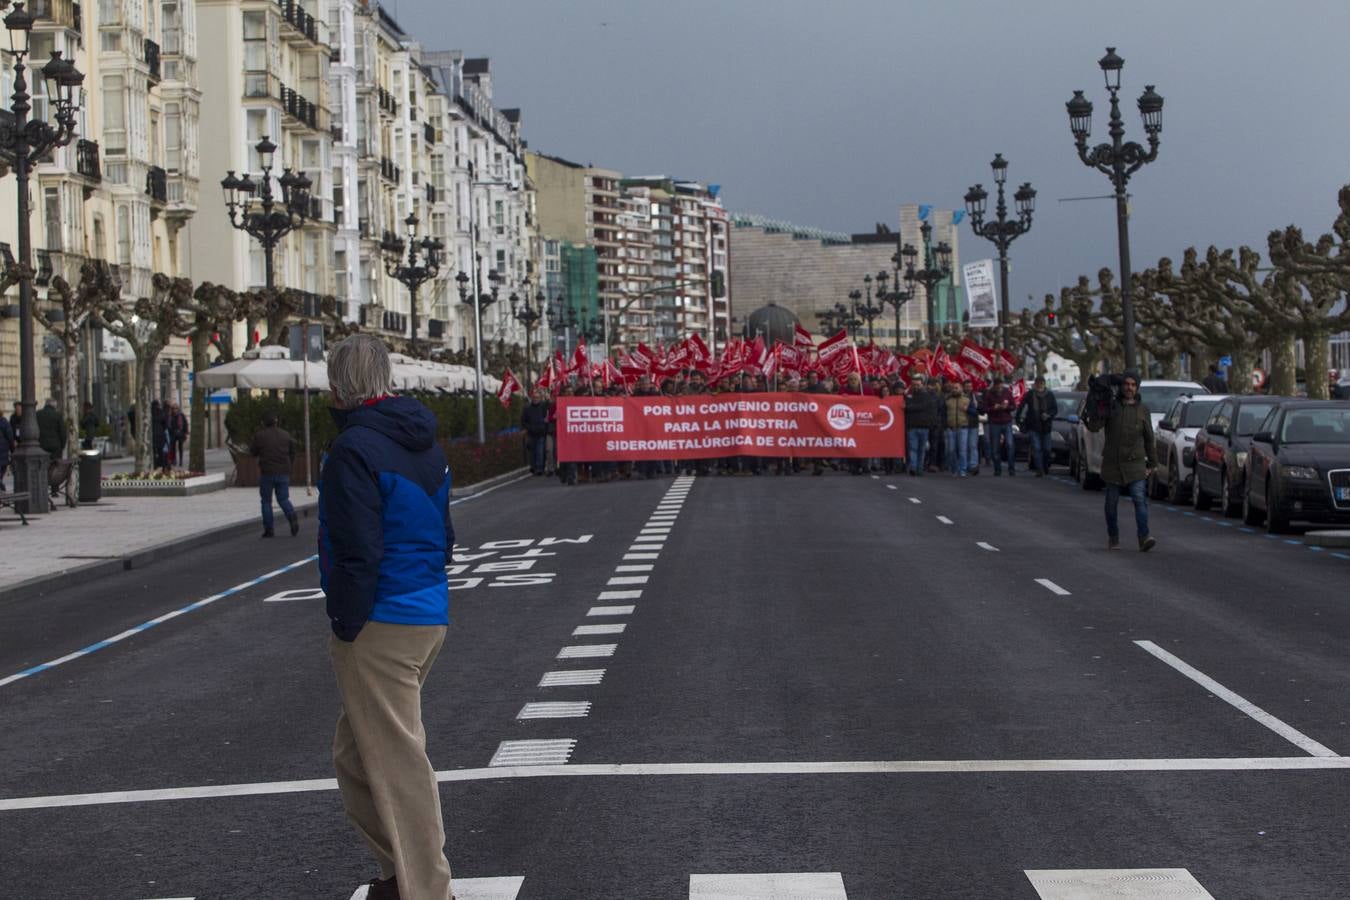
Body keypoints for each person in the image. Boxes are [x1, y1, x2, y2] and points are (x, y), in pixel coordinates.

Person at [318, 333, 455, 900]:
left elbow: (355, 550)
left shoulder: (352, 450)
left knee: (398, 763)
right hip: (426, 610)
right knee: (355, 756)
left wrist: (347, 622)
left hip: (382, 620)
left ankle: (426, 889)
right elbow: (444, 535)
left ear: (338, 383)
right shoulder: (424, 443)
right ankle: (400, 873)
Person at [1086, 372, 1157, 552]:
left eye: (1133, 385)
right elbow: (1095, 427)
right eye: (1126, 384)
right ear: (1120, 386)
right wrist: (1093, 407)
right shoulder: (1112, 406)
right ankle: (1114, 538)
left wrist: (1153, 463)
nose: (1129, 388)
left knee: (1140, 500)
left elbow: (1149, 438)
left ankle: (1144, 537)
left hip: (1136, 464)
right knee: (1111, 504)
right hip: (1113, 464)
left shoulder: (1143, 409)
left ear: (1137, 388)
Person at [250, 412, 298, 538]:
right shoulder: (285, 435)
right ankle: (292, 517)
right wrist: (289, 464)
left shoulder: (260, 436)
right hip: (283, 471)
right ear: (276, 422)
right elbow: (293, 452)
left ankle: (269, 529)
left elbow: (253, 452)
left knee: (266, 501)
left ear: (263, 423)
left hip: (267, 472)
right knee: (283, 499)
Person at [1016, 376, 1058, 477]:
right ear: (1035, 384)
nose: (1039, 386)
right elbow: (1021, 406)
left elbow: (1054, 409)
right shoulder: (1030, 394)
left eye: (1041, 384)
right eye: (1037, 384)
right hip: (1033, 426)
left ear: (1044, 384)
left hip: (1046, 426)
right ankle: (1040, 469)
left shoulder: (1050, 395)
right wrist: (1019, 420)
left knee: (1047, 449)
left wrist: (1048, 415)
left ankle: (1045, 466)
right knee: (1036, 448)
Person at [904, 374, 941, 476]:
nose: (916, 387)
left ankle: (919, 468)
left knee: (921, 449)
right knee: (913, 448)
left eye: (918, 385)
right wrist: (909, 407)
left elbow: (921, 406)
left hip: (924, 426)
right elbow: (905, 406)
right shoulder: (909, 395)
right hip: (912, 426)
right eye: (914, 385)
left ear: (922, 385)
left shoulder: (927, 395)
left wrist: (909, 407)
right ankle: (913, 468)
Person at [982, 376, 1016, 476]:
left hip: (1007, 421)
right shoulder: (989, 394)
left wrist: (1007, 407)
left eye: (1001, 386)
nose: (999, 388)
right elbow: (984, 409)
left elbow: (1013, 406)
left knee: (1010, 445)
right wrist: (994, 408)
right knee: (995, 447)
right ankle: (997, 469)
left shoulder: (1007, 392)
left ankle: (1011, 468)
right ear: (994, 386)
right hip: (995, 422)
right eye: (997, 386)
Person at [521, 389, 550, 475]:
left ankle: (539, 468)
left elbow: (547, 416)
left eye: (537, 397)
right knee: (532, 452)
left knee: (540, 451)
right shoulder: (527, 409)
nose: (535, 399)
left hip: (541, 433)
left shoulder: (543, 407)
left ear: (540, 398)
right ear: (531, 398)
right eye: (534, 397)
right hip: (531, 433)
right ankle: (533, 467)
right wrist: (527, 428)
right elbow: (523, 421)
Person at [167, 402, 188, 467]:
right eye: (173, 408)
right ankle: (174, 460)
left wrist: (185, 432)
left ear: (178, 409)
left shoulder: (181, 415)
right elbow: (168, 425)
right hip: (173, 433)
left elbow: (185, 424)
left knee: (180, 447)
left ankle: (181, 461)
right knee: (173, 448)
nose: (175, 410)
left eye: (176, 408)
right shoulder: (170, 416)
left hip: (180, 433)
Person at [0, 408, 13, 490]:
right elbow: (10, 436)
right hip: (3, 451)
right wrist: (12, 449)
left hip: (2, 451)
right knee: (2, 471)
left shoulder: (4, 422)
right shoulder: (4, 422)